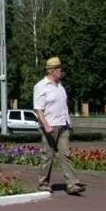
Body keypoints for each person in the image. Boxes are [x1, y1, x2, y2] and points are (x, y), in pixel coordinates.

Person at [33, 56, 85, 195]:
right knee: (48, 156)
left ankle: (72, 184)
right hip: (50, 127)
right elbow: (38, 109)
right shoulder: (41, 86)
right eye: (59, 69)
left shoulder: (60, 87)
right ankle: (43, 183)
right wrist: (46, 126)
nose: (61, 72)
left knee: (65, 155)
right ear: (52, 71)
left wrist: (68, 123)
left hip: (63, 125)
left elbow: (63, 107)